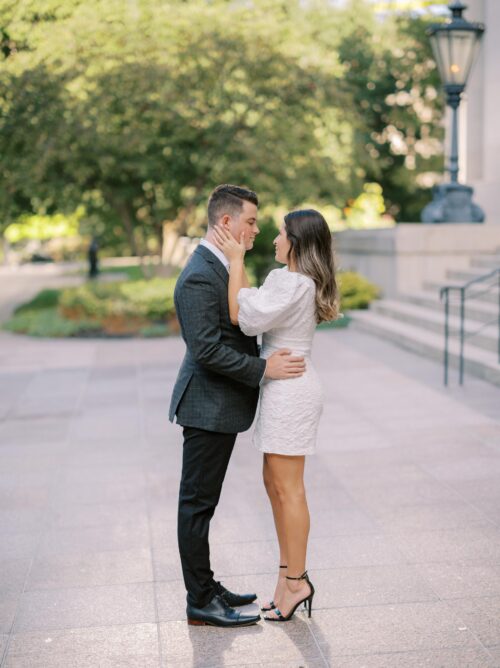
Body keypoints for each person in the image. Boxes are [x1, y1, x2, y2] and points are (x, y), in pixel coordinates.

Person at [169, 184, 307, 628]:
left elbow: (243, 314)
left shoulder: (222, 266)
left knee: (203, 503)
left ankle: (207, 586)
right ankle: (199, 600)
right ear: (225, 222)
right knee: (197, 504)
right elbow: (207, 350)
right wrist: (263, 369)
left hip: (221, 404)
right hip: (206, 407)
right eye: (250, 220)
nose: (256, 228)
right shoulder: (197, 275)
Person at [212, 208, 339, 622]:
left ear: (296, 243)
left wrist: (235, 262)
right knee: (275, 484)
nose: (273, 239)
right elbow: (250, 304)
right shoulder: (289, 281)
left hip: (292, 391)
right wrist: (240, 271)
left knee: (290, 489)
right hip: (282, 386)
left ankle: (297, 580)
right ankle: (285, 580)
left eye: (281, 233)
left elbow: (241, 317)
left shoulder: (293, 282)